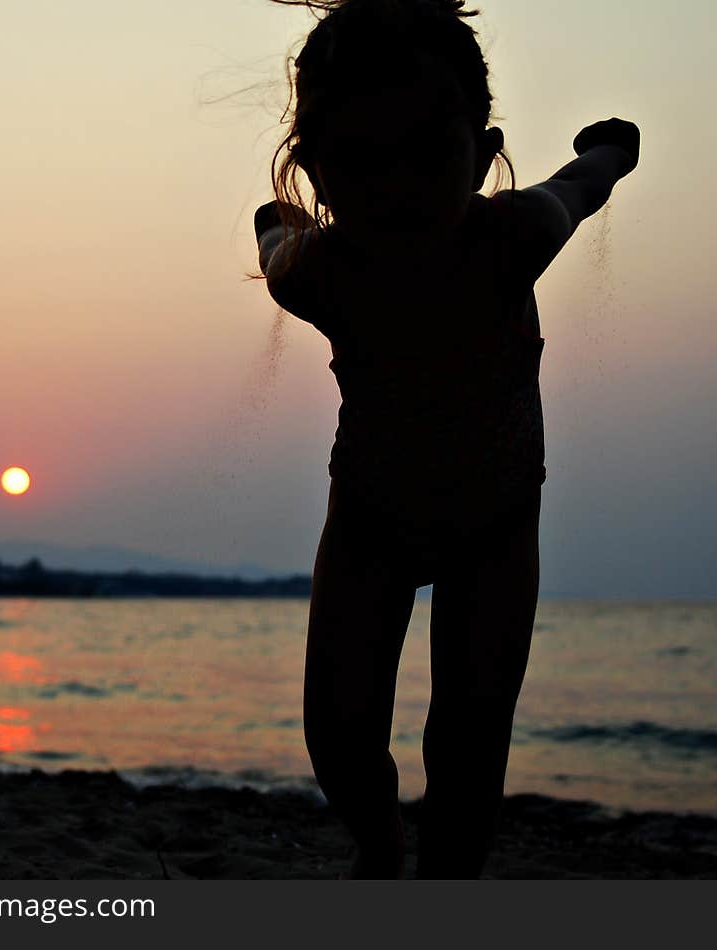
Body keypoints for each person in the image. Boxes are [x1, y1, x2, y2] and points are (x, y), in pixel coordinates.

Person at [253, 0, 639, 878]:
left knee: (470, 735)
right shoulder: (325, 271)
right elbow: (280, 250)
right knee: (338, 732)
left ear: (485, 151)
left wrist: (611, 150)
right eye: (361, 161)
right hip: (369, 520)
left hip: (496, 525)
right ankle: (380, 839)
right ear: (316, 167)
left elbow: (580, 189)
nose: (396, 187)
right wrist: (276, 226)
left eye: (429, 153)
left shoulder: (512, 237)